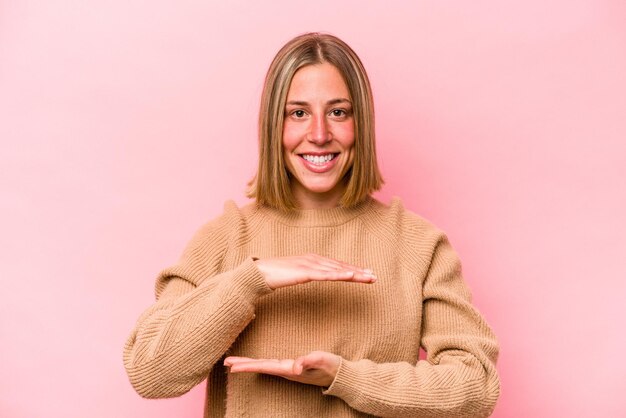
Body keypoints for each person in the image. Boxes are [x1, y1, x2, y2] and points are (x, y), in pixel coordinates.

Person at [123, 32, 500, 417]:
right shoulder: (223, 238)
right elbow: (150, 373)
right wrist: (252, 278)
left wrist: (345, 377)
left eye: (338, 112)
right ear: (274, 125)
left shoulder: (417, 242)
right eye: (298, 113)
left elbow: (477, 387)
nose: (319, 135)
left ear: (360, 124)